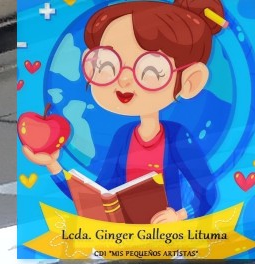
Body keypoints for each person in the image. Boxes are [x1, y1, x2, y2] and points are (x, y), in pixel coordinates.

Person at [22, 4, 228, 225]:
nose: (124, 80)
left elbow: (207, 193)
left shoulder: (176, 136)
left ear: (190, 80)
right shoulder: (124, 136)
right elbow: (99, 196)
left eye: (150, 69)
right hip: (125, 236)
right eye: (107, 65)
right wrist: (53, 165)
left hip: (168, 238)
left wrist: (179, 215)